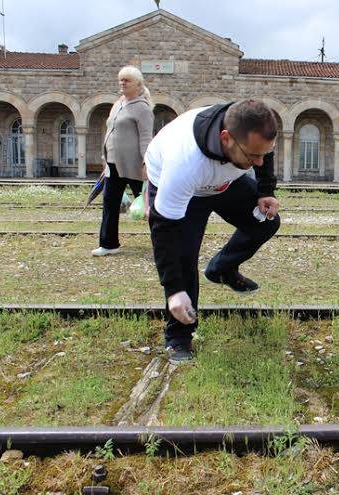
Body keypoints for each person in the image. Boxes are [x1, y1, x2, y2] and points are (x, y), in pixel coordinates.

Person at [145, 99, 280, 364]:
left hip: (223, 182)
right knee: (183, 259)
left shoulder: (250, 131)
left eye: (263, 153)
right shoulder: (184, 163)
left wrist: (265, 190)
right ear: (225, 138)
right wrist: (173, 290)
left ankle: (221, 269)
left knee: (266, 221)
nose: (259, 161)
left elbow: (263, 153)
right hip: (188, 191)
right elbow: (163, 231)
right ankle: (179, 337)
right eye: (253, 156)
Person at [92, 65, 154, 256]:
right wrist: (105, 159)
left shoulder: (142, 108)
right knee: (110, 203)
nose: (122, 83)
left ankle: (166, 242)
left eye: (126, 80)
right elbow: (110, 132)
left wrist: (146, 163)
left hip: (135, 166)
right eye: (120, 79)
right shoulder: (117, 103)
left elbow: (146, 137)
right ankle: (109, 244)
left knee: (150, 207)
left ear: (137, 85)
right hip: (113, 164)